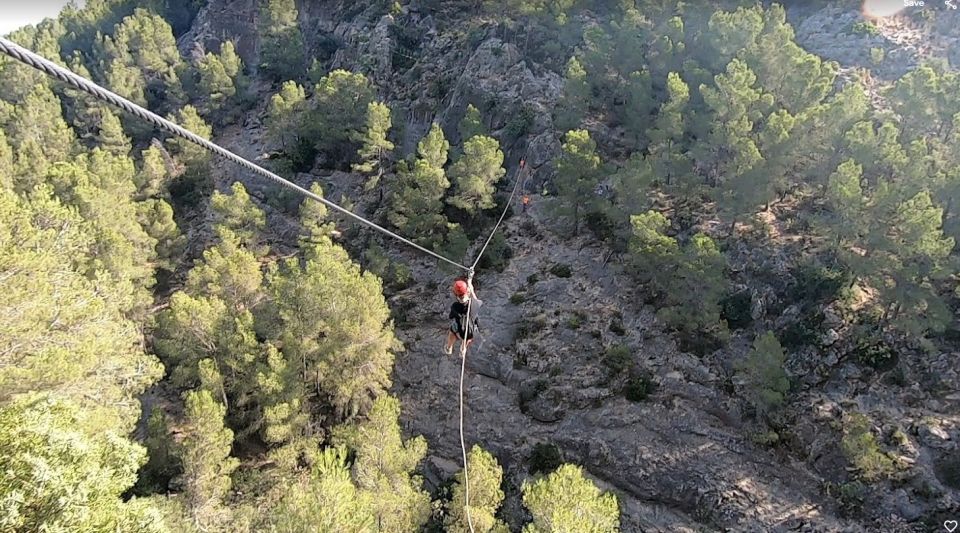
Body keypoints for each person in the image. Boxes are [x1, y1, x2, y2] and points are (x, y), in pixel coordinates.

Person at [445, 277, 482, 356]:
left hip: (460, 331)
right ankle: (463, 347)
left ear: (456, 295)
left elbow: (451, 317)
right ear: (467, 292)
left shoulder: (455, 306)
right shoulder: (474, 304)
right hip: (470, 333)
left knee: (452, 329)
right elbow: (474, 297)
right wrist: (469, 282)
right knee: (471, 328)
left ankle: (449, 347)